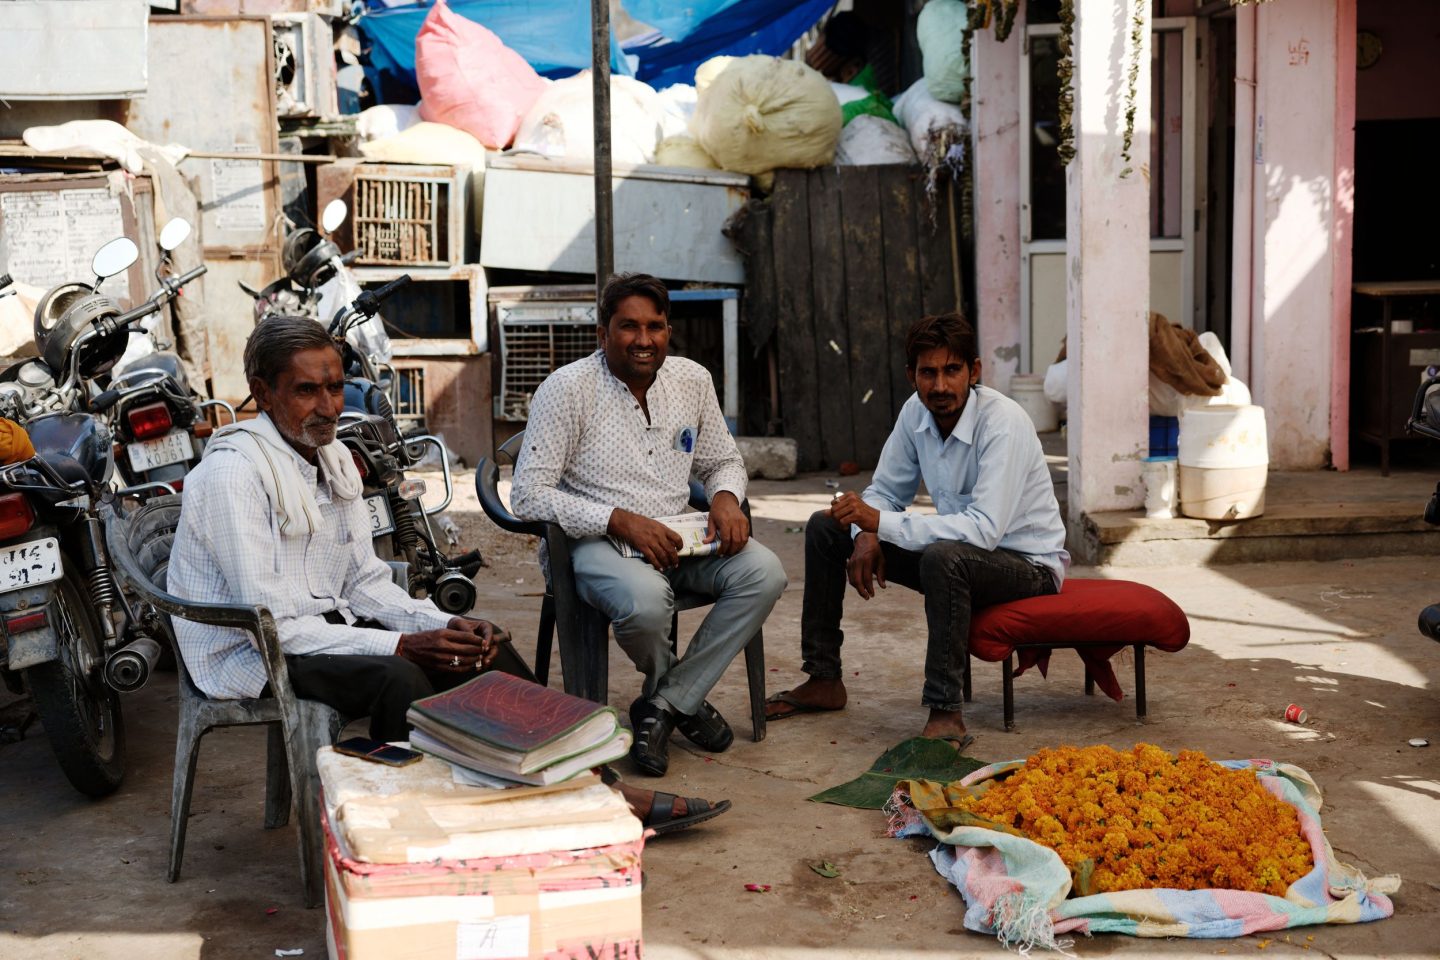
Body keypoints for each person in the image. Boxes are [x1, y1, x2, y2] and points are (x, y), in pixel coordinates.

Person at [169, 314, 727, 835]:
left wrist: (439, 625)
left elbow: (363, 580)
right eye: (306, 391)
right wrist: (406, 645)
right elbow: (272, 626)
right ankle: (431, 828)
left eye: (335, 387)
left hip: (320, 626)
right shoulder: (233, 475)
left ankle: (592, 790)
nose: (328, 406)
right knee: (403, 680)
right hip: (249, 656)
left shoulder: (330, 456)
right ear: (263, 393)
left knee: (480, 648)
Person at [511, 273, 787, 777]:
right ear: (602, 333)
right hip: (592, 543)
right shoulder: (567, 389)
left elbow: (722, 459)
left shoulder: (692, 380)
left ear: (668, 331)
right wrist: (619, 521)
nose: (644, 340)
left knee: (764, 571)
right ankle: (682, 699)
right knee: (644, 603)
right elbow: (528, 495)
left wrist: (726, 498)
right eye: (628, 327)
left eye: (655, 327)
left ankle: (661, 705)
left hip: (679, 536)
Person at [765, 312, 1068, 749]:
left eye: (952, 371)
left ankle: (946, 712)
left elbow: (982, 530)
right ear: (912, 375)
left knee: (946, 557)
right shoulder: (916, 413)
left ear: (974, 372)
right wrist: (867, 533)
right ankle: (824, 678)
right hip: (962, 557)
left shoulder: (1004, 423)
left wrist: (880, 522)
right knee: (826, 528)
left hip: (1027, 566)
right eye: (928, 372)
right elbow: (885, 491)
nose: (940, 386)